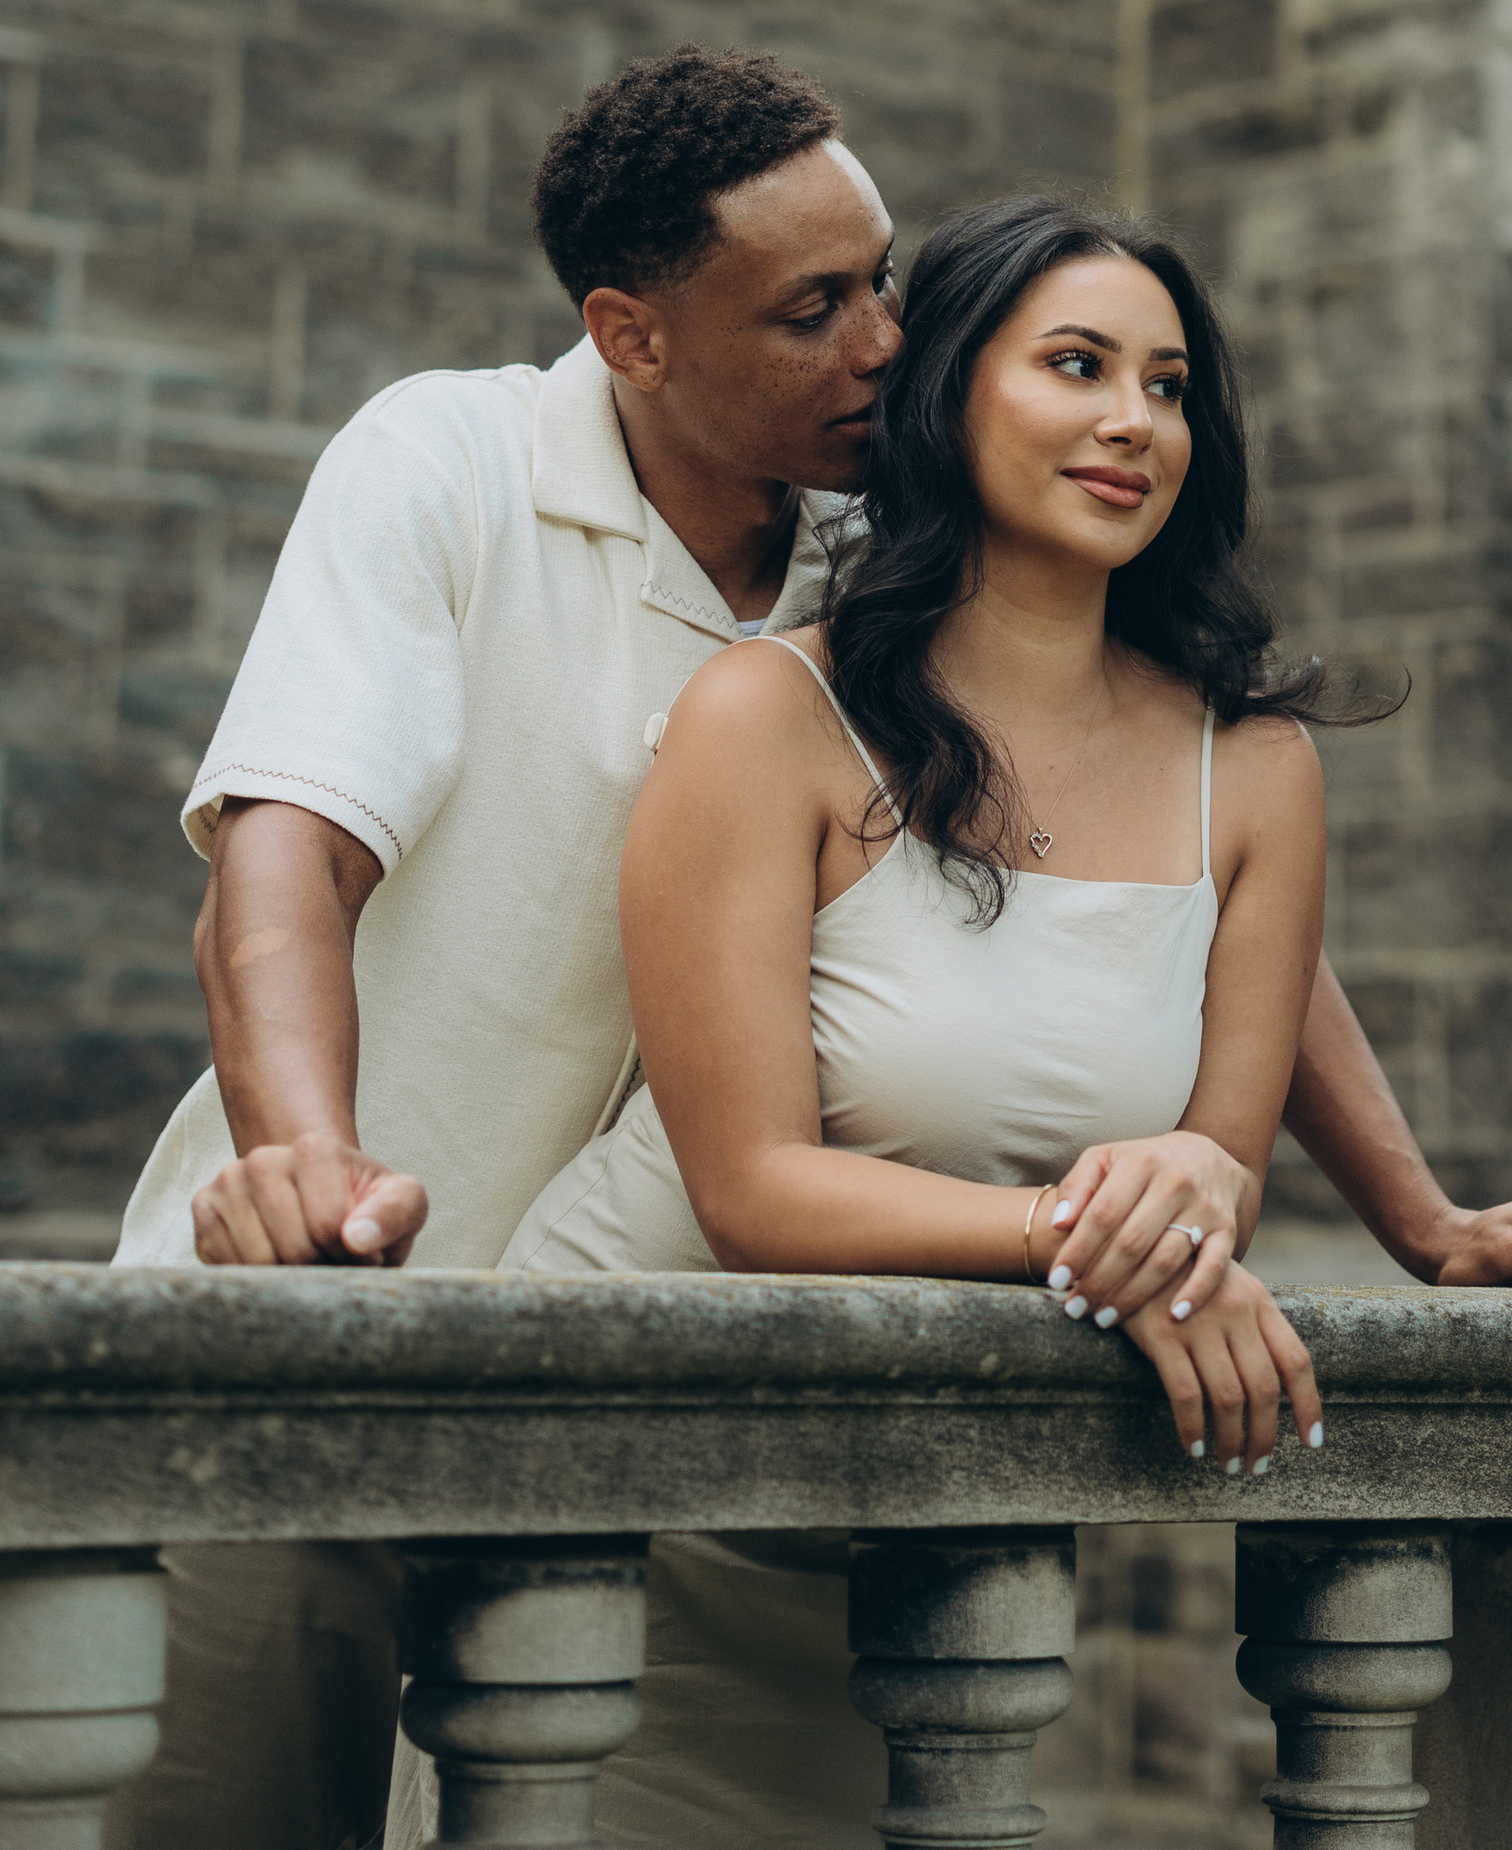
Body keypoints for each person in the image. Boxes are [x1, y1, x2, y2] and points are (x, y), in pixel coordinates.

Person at [111, 47, 1512, 1850]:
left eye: (882, 279)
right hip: (338, 1303)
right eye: (814, 308)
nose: (882, 342)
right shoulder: (449, 463)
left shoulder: (873, 556)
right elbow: (284, 852)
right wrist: (302, 1160)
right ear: (633, 335)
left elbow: (1155, 886)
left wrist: (1414, 1210)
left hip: (659, 1353)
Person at [386, 190, 1357, 1850]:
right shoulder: (773, 713)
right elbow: (753, 1190)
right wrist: (1100, 1238)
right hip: (630, 1480)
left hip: (927, 1517)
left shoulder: (1257, 775)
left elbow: (1220, 1154)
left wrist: (1206, 1200)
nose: (1135, 420)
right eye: (1076, 365)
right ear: (946, 392)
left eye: (1171, 383)